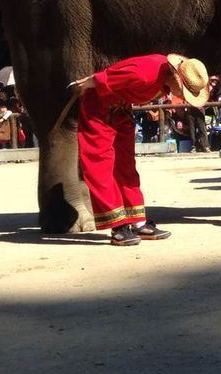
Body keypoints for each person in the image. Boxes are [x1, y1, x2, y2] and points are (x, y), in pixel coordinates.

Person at [72, 53, 210, 245]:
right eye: (184, 91)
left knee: (126, 164)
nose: (182, 97)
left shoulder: (162, 81)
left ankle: (138, 222)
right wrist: (85, 84)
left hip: (121, 108)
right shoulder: (145, 74)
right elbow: (104, 78)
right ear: (176, 78)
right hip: (98, 107)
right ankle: (118, 225)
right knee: (100, 164)